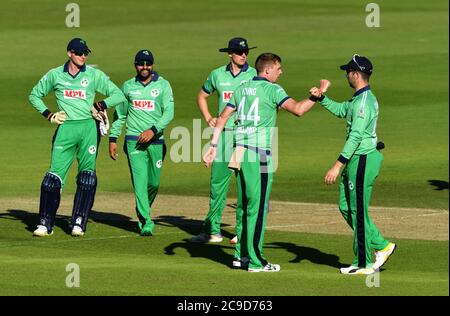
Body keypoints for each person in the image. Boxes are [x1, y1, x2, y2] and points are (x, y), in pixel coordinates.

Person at [203, 53, 324, 272]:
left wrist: (212, 146)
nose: (281, 72)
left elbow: (222, 117)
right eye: (278, 68)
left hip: (238, 152)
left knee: (244, 205)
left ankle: (241, 255)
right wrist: (316, 97)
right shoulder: (274, 90)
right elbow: (298, 110)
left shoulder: (241, 88)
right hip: (259, 154)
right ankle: (257, 261)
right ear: (267, 70)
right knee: (257, 208)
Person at [29, 38, 126, 237]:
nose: (83, 56)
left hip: (88, 128)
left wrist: (101, 105)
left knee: (87, 178)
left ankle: (78, 222)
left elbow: (119, 94)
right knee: (52, 178)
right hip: (65, 129)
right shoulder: (55, 75)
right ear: (69, 53)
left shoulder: (93, 75)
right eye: (79, 52)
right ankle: (45, 223)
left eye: (85, 53)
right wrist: (49, 115)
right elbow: (34, 95)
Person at [314, 54, 396, 275]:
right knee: (346, 206)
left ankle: (363, 263)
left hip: (362, 159)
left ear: (356, 74)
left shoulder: (363, 102)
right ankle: (382, 245)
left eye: (347, 72)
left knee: (358, 211)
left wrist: (337, 165)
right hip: (356, 160)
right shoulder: (356, 99)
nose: (346, 75)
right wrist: (322, 99)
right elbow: (342, 111)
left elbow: (356, 137)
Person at [190, 37, 257, 244]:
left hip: (246, 136)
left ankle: (242, 231)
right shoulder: (217, 75)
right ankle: (212, 230)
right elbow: (201, 96)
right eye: (238, 52)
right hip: (224, 135)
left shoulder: (254, 74)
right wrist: (208, 116)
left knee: (245, 185)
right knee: (217, 184)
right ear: (230, 54)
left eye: (245, 51)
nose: (243, 55)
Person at [109, 50, 174, 236]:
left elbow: (168, 112)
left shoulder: (163, 85)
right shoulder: (128, 86)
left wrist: (153, 131)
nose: (144, 67)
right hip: (133, 140)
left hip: (156, 140)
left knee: (153, 183)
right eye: (140, 64)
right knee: (140, 182)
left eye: (148, 63)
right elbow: (120, 115)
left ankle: (142, 211)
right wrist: (113, 138)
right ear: (135, 65)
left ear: (152, 64)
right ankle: (146, 220)